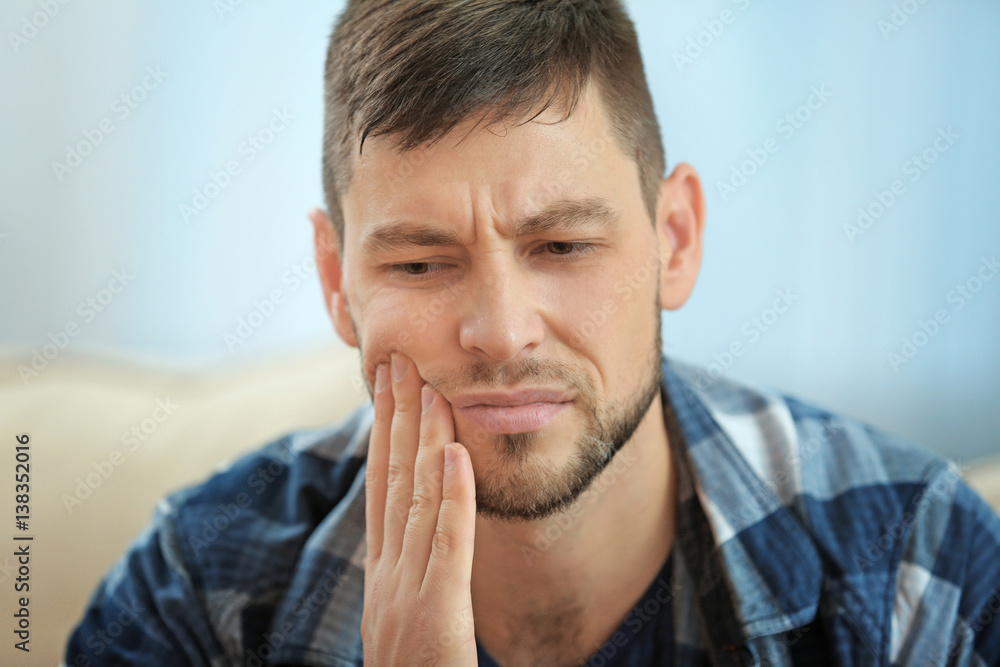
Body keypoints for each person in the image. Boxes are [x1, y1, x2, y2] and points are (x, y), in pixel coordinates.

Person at [66, 1, 1000, 665]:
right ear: (334, 280)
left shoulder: (919, 569)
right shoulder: (194, 591)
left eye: (561, 243)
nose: (503, 333)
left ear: (673, 240)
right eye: (420, 263)